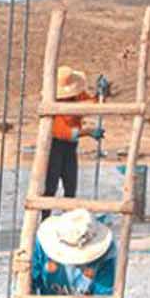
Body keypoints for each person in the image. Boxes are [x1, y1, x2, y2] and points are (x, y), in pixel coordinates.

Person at [44, 65, 103, 199]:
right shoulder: (52, 106)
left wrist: (100, 94)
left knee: (70, 187)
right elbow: (64, 132)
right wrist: (88, 132)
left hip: (70, 148)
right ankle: (44, 218)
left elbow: (90, 104)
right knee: (50, 187)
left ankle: (68, 217)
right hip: (55, 146)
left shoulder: (77, 95)